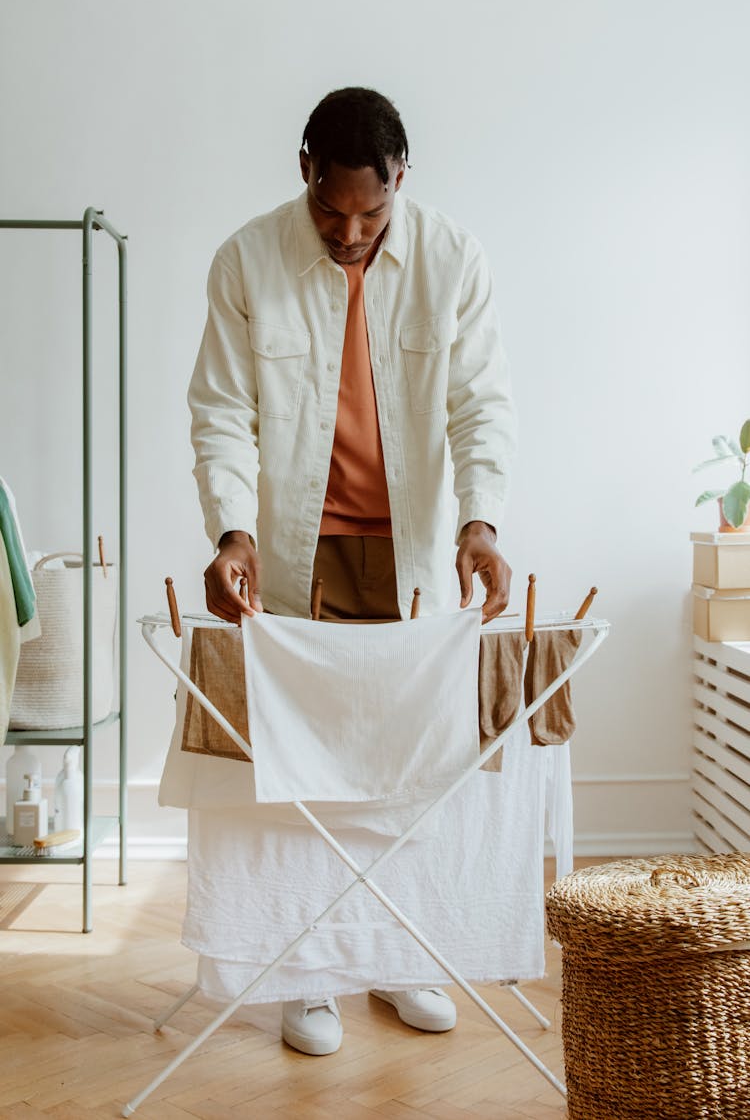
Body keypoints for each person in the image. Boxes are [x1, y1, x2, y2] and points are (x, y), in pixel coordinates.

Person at [188, 87, 517, 1056]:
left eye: (372, 213)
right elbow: (220, 410)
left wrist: (482, 521)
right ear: (305, 174)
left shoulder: (453, 258)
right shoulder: (248, 260)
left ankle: (402, 957)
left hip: (412, 552)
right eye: (333, 211)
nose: (351, 231)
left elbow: (481, 403)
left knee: (408, 768)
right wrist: (231, 534)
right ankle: (307, 974)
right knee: (304, 771)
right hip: (295, 552)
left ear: (400, 181)